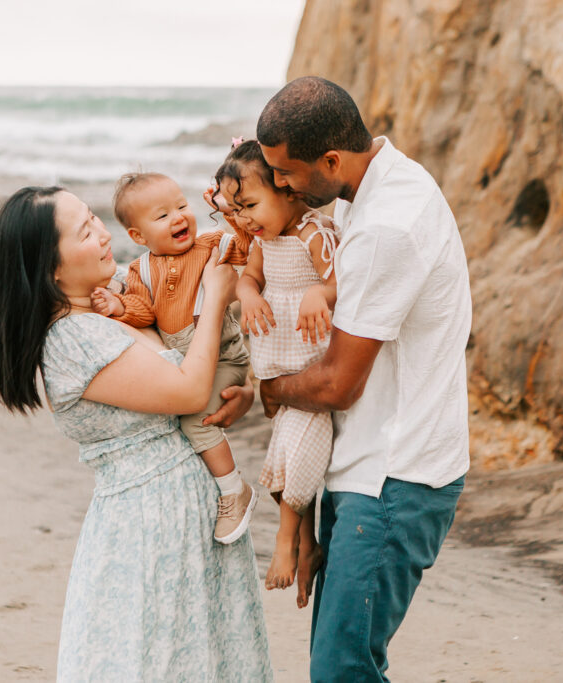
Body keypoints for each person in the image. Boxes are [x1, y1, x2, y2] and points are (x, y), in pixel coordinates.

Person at [0, 186, 271, 681]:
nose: (101, 233)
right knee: (154, 660)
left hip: (195, 512)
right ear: (51, 268)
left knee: (211, 655)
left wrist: (239, 390)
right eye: (84, 231)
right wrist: (219, 294)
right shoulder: (70, 338)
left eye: (94, 218)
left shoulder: (118, 290)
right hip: (147, 526)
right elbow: (184, 390)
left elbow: (201, 265)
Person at [256, 76, 472, 681]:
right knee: (342, 663)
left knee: (340, 669)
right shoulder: (369, 190)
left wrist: (269, 391)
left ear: (331, 159)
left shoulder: (386, 226)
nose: (280, 186)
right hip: (371, 464)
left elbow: (335, 385)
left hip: (394, 477)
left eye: (286, 173)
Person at [89, 172, 256, 544]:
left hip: (226, 359)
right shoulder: (140, 270)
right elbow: (143, 310)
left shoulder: (211, 245)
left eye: (181, 206)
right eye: (162, 215)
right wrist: (118, 306)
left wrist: (229, 211)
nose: (179, 217)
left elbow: (248, 245)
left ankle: (234, 491)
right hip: (192, 363)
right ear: (137, 237)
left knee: (196, 422)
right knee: (192, 415)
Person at [209, 140, 338, 607]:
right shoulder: (265, 240)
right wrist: (251, 295)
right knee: (286, 455)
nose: (244, 219)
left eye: (250, 205)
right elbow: (249, 278)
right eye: (236, 208)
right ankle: (307, 543)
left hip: (311, 369)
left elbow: (342, 277)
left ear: (287, 190)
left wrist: (319, 294)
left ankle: (285, 544)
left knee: (299, 453)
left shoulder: (313, 233)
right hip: (279, 370)